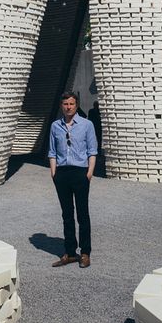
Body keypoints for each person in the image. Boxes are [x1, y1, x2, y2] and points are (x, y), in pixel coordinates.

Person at [48, 91, 98, 268]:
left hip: (80, 172)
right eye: (65, 104)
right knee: (66, 214)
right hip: (62, 173)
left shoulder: (86, 125)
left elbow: (92, 150)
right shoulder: (55, 126)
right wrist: (54, 172)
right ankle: (70, 252)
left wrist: (89, 173)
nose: (68, 107)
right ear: (61, 106)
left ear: (76, 105)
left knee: (82, 214)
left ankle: (85, 253)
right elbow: (52, 151)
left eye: (71, 104)